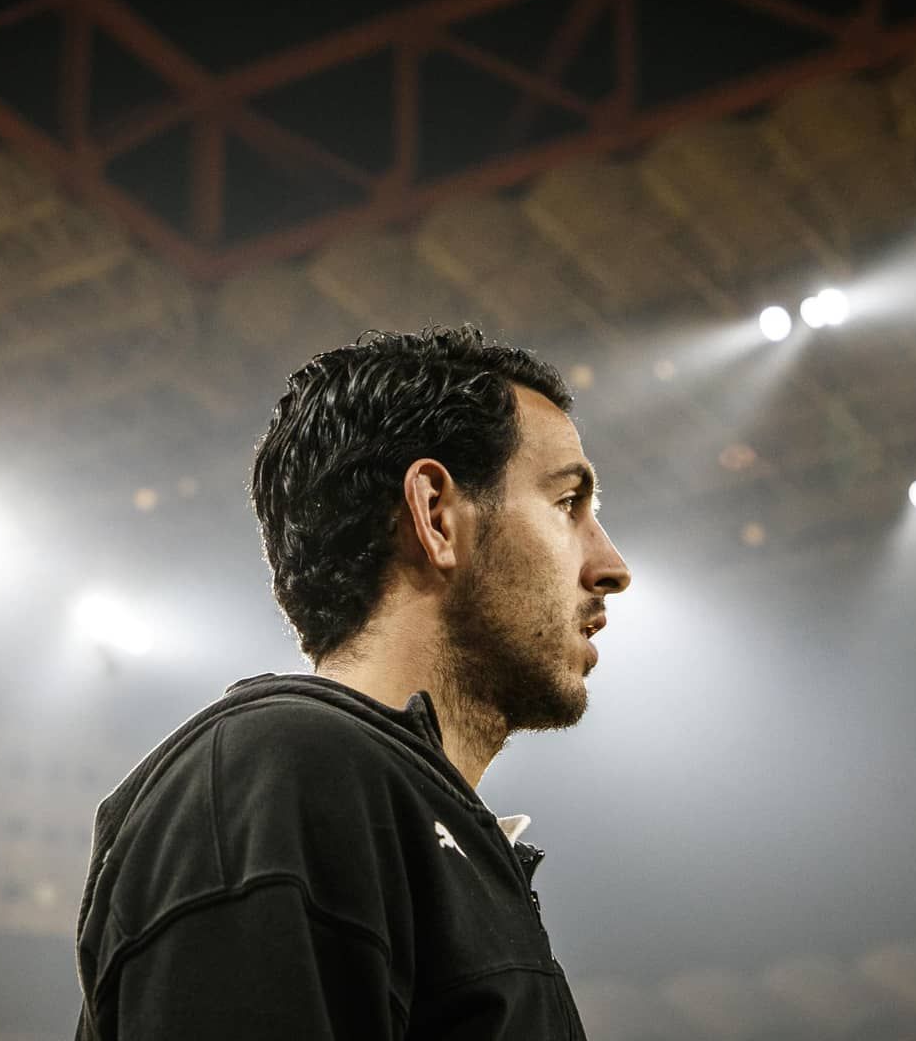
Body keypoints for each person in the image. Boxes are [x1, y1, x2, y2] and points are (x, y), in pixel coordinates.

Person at [74, 325, 631, 1039]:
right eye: (567, 504)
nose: (611, 565)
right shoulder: (281, 770)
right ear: (435, 515)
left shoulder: (387, 812)